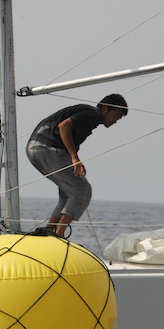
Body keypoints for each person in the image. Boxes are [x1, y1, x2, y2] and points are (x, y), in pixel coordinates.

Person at [26, 94, 128, 237]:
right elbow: (64, 126)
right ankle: (59, 235)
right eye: (115, 116)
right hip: (47, 148)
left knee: (68, 194)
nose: (115, 121)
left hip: (35, 148)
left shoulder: (89, 116)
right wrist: (74, 157)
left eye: (118, 119)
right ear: (105, 108)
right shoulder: (93, 114)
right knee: (82, 190)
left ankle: (49, 230)